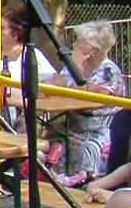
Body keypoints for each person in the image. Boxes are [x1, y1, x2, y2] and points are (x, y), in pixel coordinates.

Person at [47, 21, 125, 177]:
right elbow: (54, 82)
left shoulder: (108, 71)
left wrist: (69, 83)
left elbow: (89, 99)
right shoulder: (77, 66)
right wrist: (72, 76)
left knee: (82, 147)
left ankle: (82, 181)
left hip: (95, 131)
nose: (74, 45)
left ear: (93, 50)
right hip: (68, 126)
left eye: (79, 42)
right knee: (35, 135)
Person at [0, 7, 57, 128]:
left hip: (21, 112)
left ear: (15, 34)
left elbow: (53, 80)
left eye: (1, 28)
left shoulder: (30, 55)